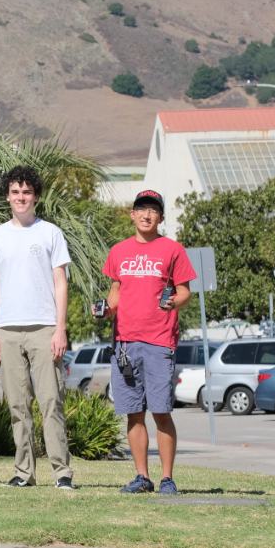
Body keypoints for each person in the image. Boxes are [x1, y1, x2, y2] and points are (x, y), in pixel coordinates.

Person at [96, 190, 195, 495]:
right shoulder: (119, 252)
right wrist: (106, 309)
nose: (147, 214)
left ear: (161, 217)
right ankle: (142, 477)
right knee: (133, 411)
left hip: (159, 342)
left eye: (153, 210)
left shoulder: (173, 249)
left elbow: (185, 293)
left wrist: (173, 303)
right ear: (133, 215)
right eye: (142, 209)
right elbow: (115, 291)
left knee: (161, 410)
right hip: (125, 344)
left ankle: (167, 478)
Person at [0, 165, 75, 490]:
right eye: (15, 192)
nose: (21, 197)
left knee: (51, 401)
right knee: (18, 405)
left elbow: (60, 283)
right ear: (7, 196)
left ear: (35, 195)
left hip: (44, 328)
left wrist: (60, 328)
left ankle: (62, 473)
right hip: (7, 329)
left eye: (26, 192)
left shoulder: (49, 233)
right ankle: (24, 474)